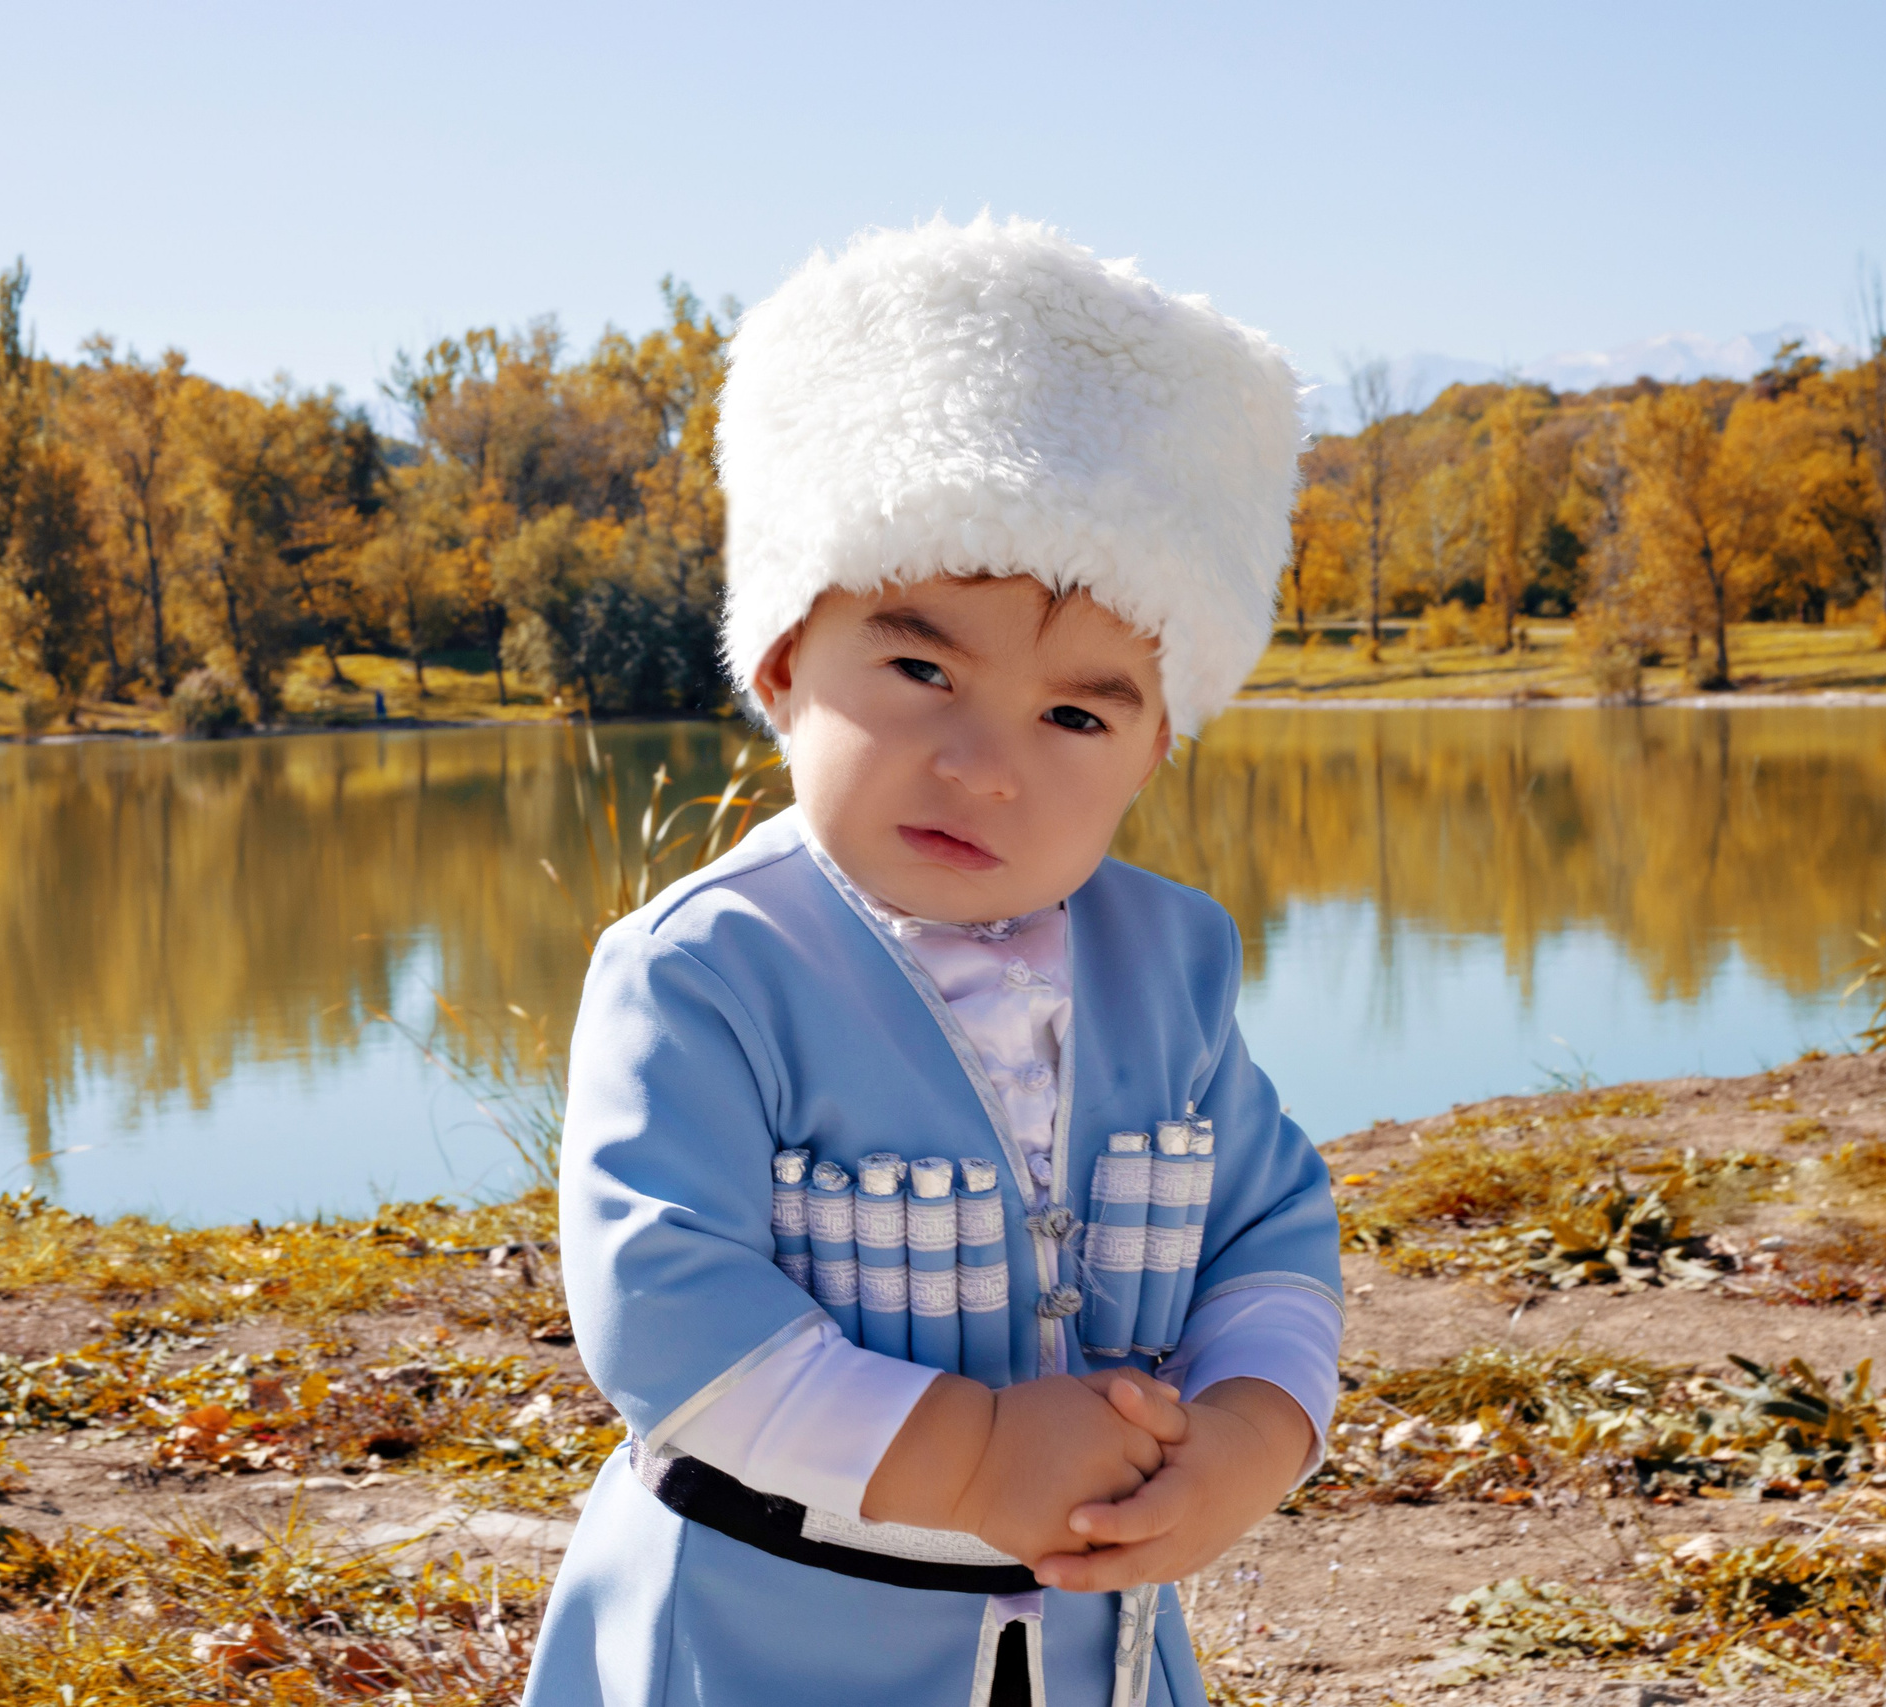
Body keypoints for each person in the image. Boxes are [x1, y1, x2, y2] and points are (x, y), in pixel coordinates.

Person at [525, 215, 1343, 1707]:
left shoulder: (1174, 964)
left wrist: (1247, 1434)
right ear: (779, 660)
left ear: (1159, 745)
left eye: (1076, 718)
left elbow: (1269, 1230)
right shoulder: (707, 972)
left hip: (1097, 1648)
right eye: (921, 672)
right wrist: (968, 1454)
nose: (984, 767)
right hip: (764, 1642)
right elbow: (665, 1303)